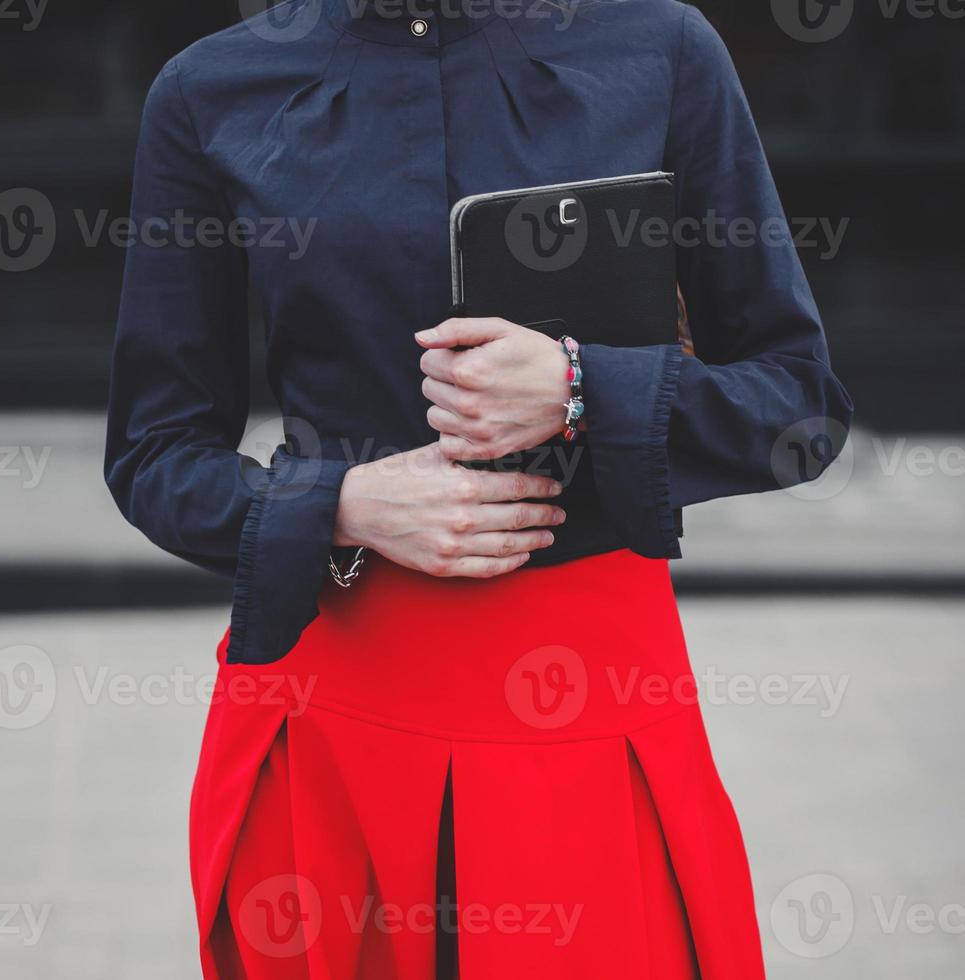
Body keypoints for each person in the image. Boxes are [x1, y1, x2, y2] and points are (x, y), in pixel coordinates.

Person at [104, 0, 853, 976]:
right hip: (341, 688)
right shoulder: (211, 89)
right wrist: (340, 504)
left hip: (591, 701)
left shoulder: (660, 49)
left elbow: (796, 407)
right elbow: (154, 451)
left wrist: (582, 386)